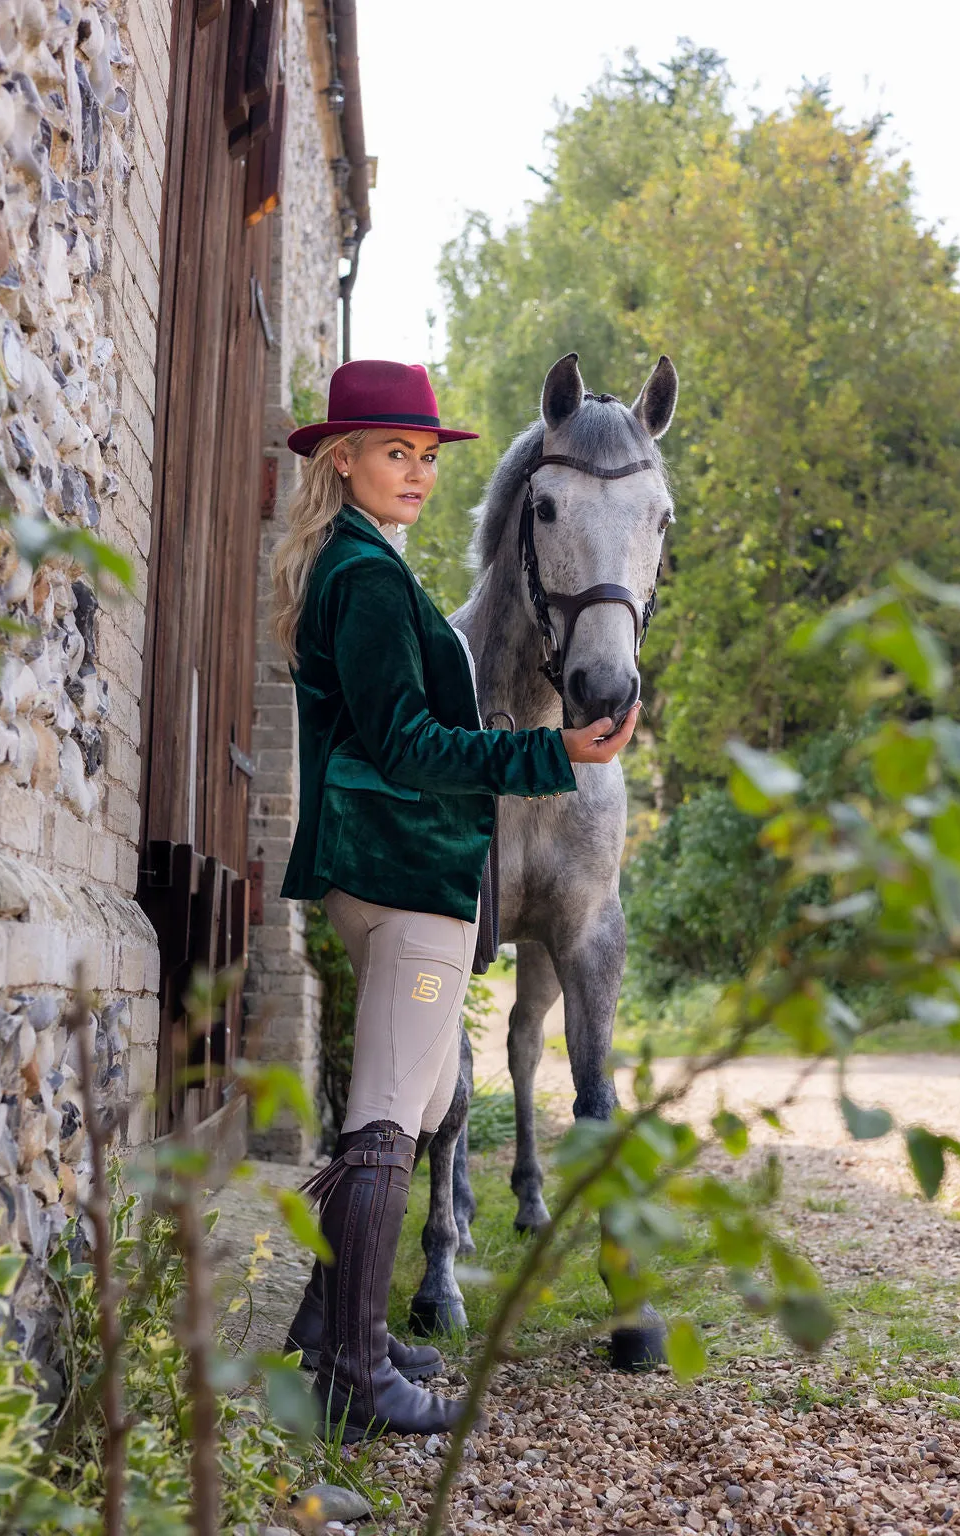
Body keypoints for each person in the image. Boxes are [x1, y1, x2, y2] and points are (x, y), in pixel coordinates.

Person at [271, 359, 639, 1441]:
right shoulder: (370, 582)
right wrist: (550, 753)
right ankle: (351, 1370)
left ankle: (330, 1326)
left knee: (423, 1107)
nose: (419, 473)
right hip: (401, 870)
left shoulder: (356, 563)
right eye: (397, 453)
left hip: (393, 870)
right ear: (342, 460)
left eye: (427, 457)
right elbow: (405, 744)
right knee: (388, 1117)